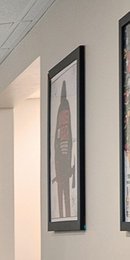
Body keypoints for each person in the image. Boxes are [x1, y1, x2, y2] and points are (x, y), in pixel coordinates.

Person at [53, 84, 75, 217]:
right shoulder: (62, 111)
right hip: (62, 165)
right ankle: (63, 215)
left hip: (65, 165)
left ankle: (66, 215)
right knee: (62, 193)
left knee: (65, 194)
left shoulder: (65, 108)